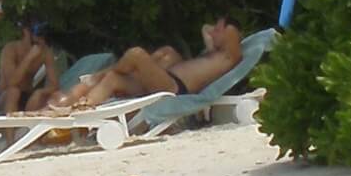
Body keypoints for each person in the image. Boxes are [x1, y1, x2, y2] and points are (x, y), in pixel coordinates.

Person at [59, 20, 247, 109]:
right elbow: (204, 27)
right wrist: (215, 35)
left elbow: (229, 32)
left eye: (219, 29)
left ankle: (97, 76)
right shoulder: (213, 53)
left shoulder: (228, 57)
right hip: (166, 80)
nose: (214, 30)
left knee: (137, 54)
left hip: (174, 88)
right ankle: (86, 105)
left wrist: (227, 27)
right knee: (113, 78)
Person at [0, 18, 61, 113]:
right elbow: (11, 82)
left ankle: (30, 125)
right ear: (26, 32)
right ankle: (9, 127)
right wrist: (29, 57)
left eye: (43, 36)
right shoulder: (11, 49)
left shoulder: (45, 52)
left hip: (28, 95)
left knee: (55, 96)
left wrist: (40, 92)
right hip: (6, 95)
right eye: (38, 35)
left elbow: (54, 84)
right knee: (14, 92)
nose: (41, 39)